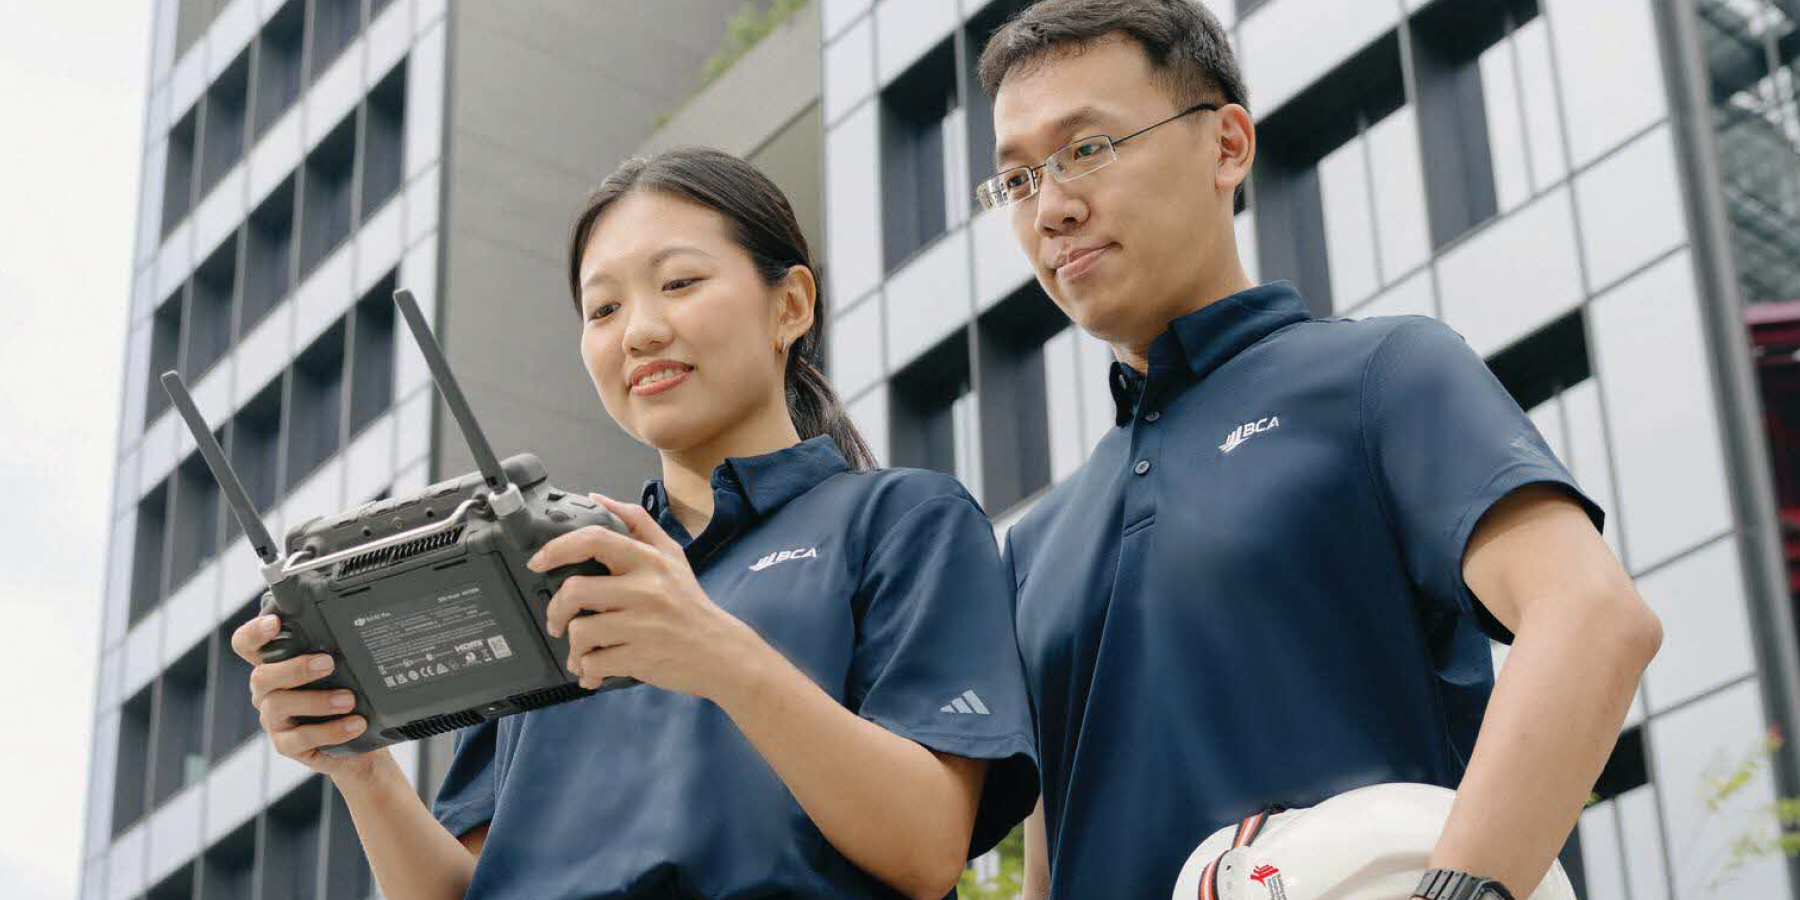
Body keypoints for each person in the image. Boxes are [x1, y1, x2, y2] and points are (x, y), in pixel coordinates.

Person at [972, 2, 1662, 899]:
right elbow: (1050, 872)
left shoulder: (1383, 376)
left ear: (1227, 146)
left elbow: (1592, 617)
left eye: (1087, 150)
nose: (1052, 209)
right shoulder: (1028, 551)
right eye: (1019, 181)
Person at [231, 146, 1038, 900]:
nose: (640, 330)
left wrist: (717, 654)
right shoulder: (553, 573)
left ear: (789, 305)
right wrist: (359, 768)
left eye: (680, 282)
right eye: (604, 307)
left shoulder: (901, 521)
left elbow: (927, 847)